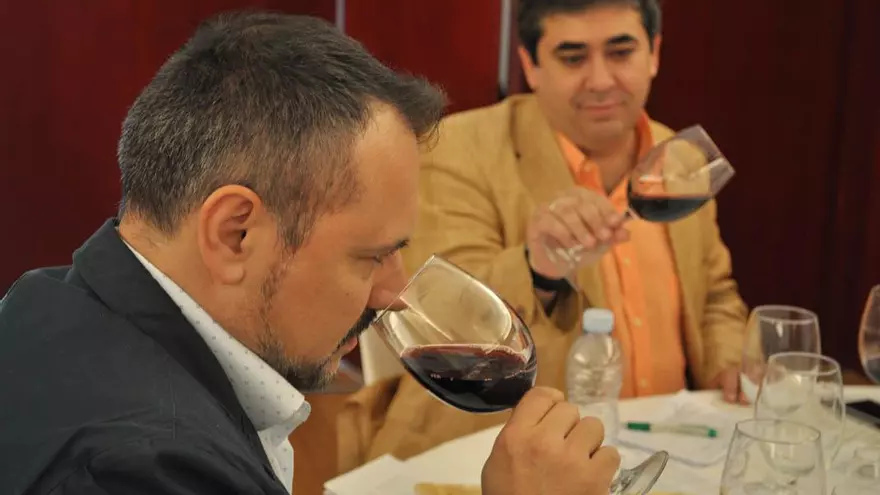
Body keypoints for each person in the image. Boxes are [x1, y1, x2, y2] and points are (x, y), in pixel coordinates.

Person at [0, 12, 620, 495]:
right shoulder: (145, 469)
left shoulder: (50, 303)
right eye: (371, 256)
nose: (394, 292)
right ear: (235, 234)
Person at [351, 0, 748, 461]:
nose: (601, 80)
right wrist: (537, 269)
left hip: (671, 444)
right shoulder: (458, 150)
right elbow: (437, 318)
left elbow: (714, 294)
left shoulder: (678, 160)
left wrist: (728, 364)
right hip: (499, 452)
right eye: (573, 58)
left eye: (621, 53)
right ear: (531, 65)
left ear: (654, 53)